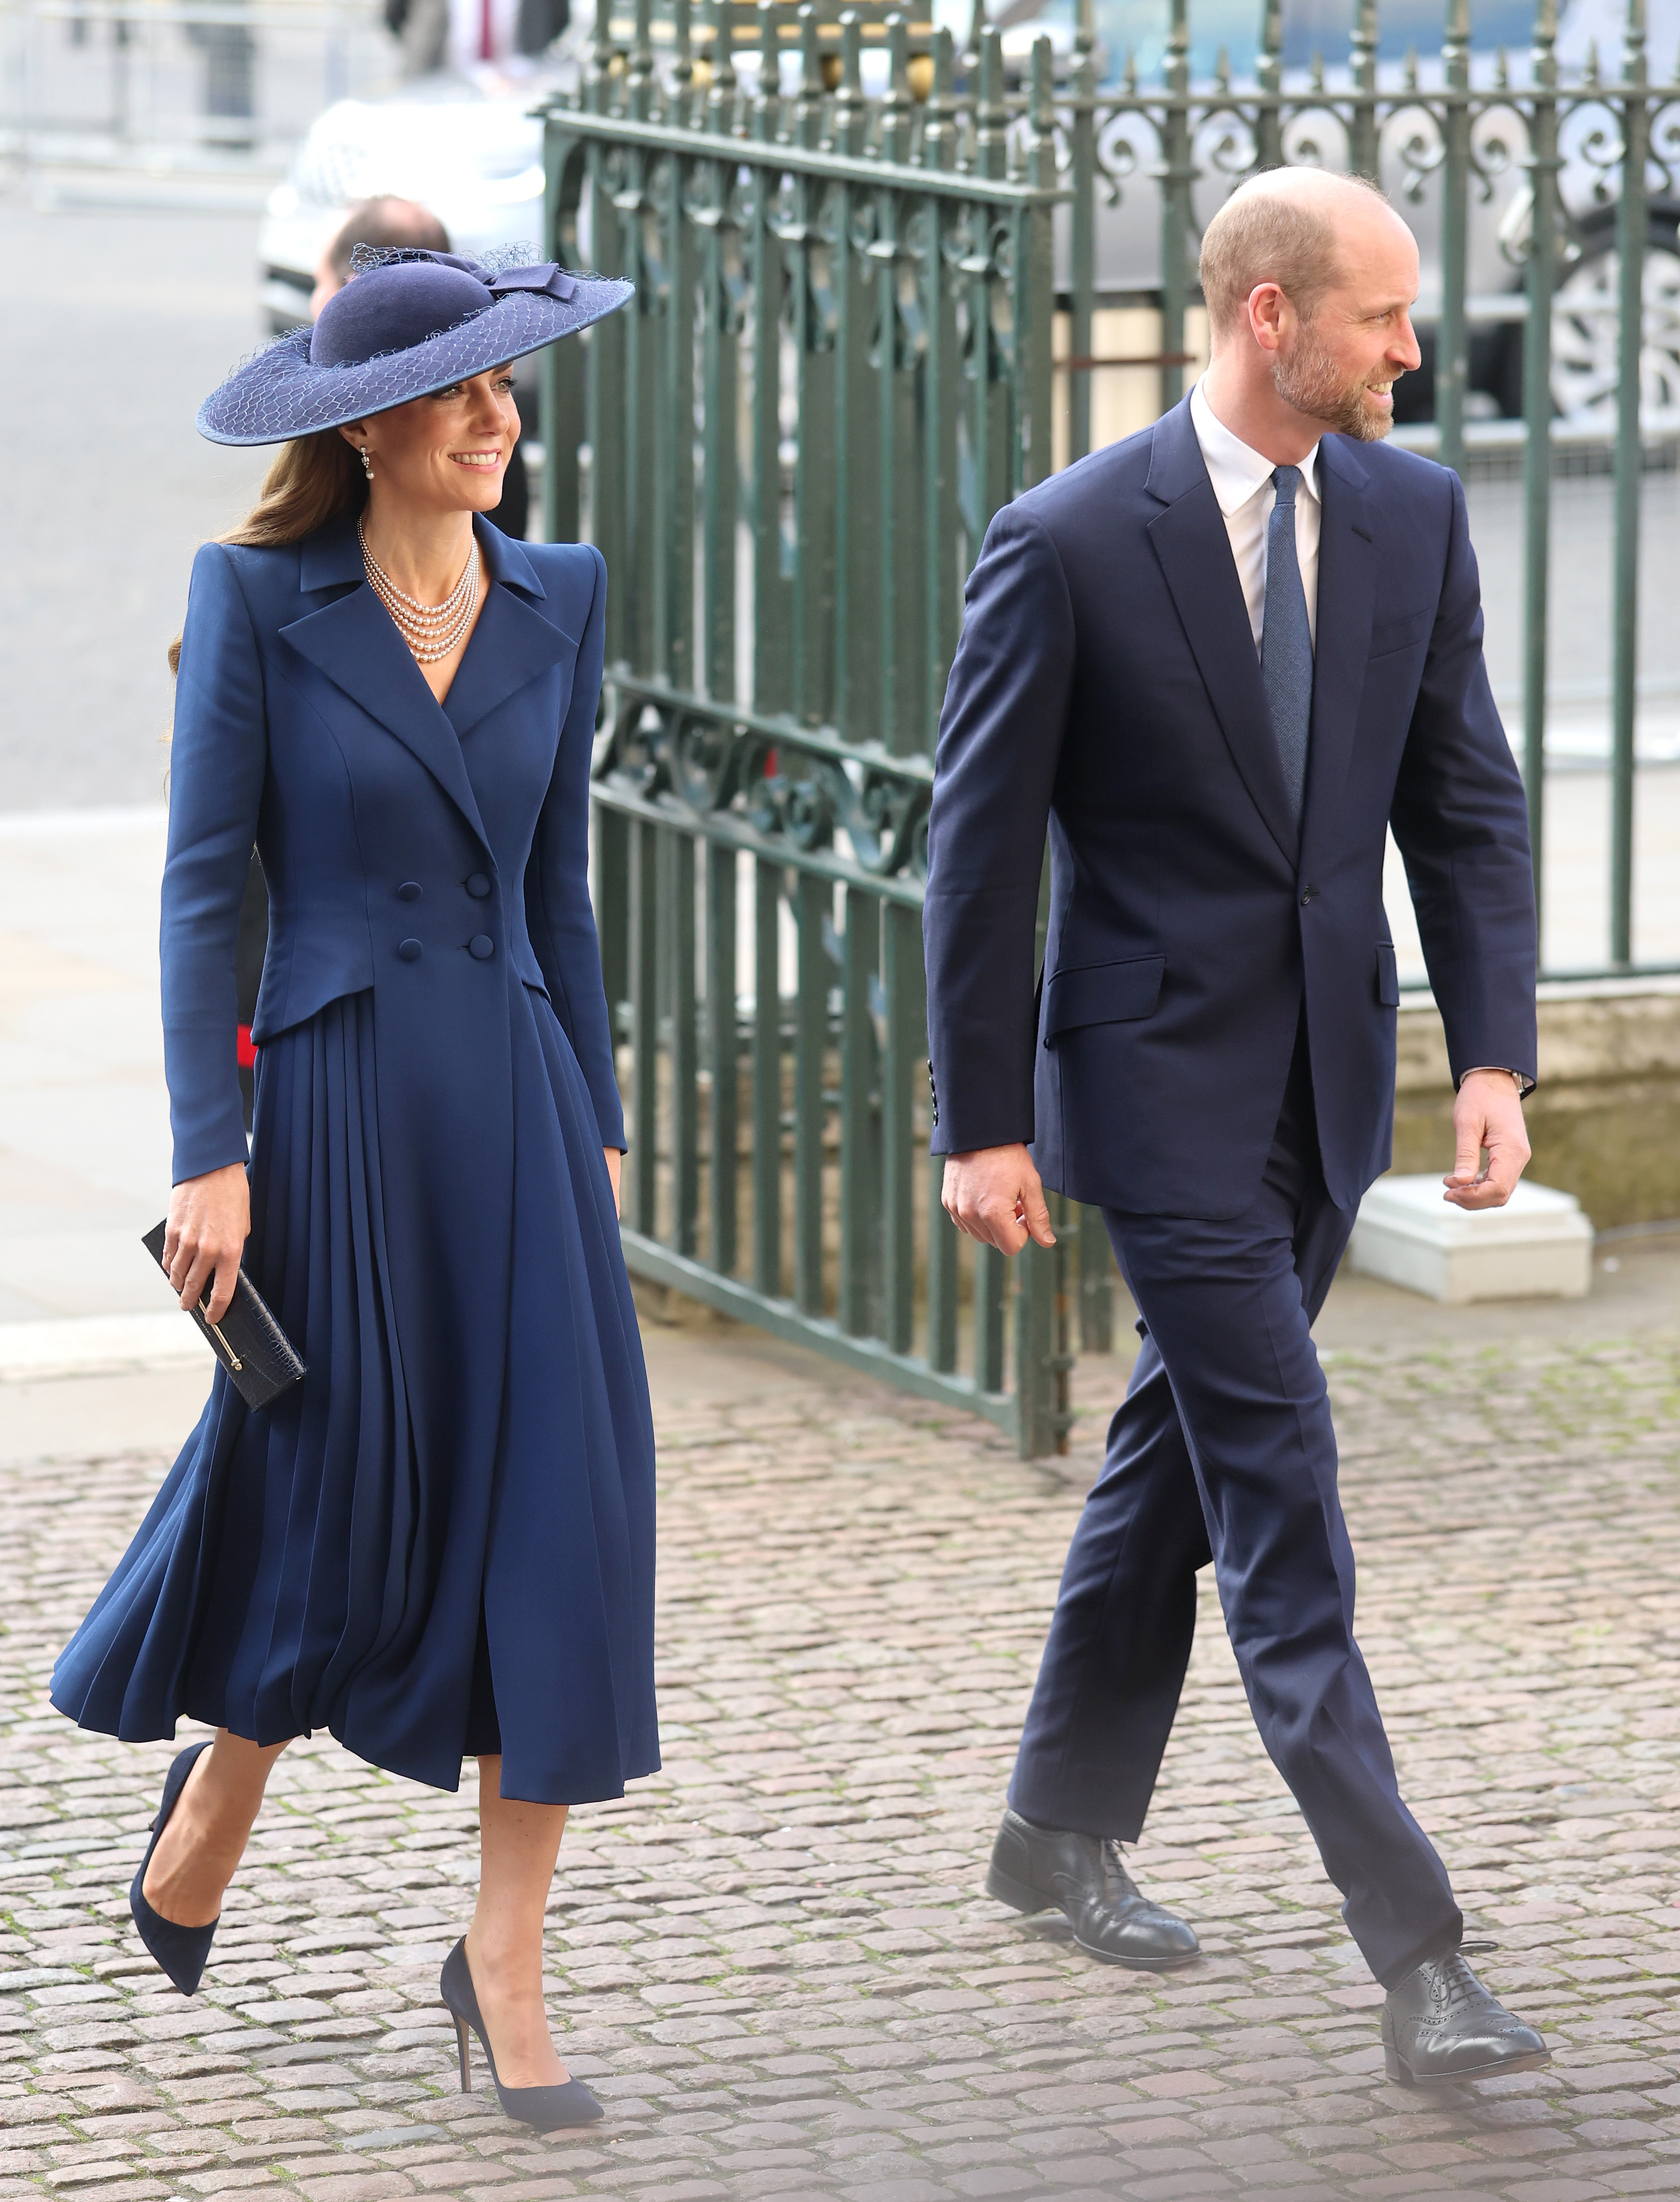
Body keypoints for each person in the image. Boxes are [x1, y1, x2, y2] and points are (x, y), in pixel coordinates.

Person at [924, 168, 1548, 2088]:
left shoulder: (1413, 513)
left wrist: (1495, 1059)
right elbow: (982, 848)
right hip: (1155, 1090)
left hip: (1328, 1087)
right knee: (1284, 1492)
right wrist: (985, 1116)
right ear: (1271, 318)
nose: (1412, 349)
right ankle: (1419, 1950)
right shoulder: (1070, 537)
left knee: (1172, 1466)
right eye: (1380, 316)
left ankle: (1050, 1826)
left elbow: (1465, 804)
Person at [51, 250, 649, 2133]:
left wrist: (603, 1120)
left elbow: (559, 890)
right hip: (328, 1101)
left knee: (561, 1517)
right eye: (467, 393)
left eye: (510, 388)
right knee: (338, 1497)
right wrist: (205, 1151)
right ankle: (225, 1776)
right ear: (369, 425)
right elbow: (204, 887)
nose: (501, 420)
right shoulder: (257, 600)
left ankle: (505, 1957)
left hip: (522, 1107)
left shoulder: (562, 596)